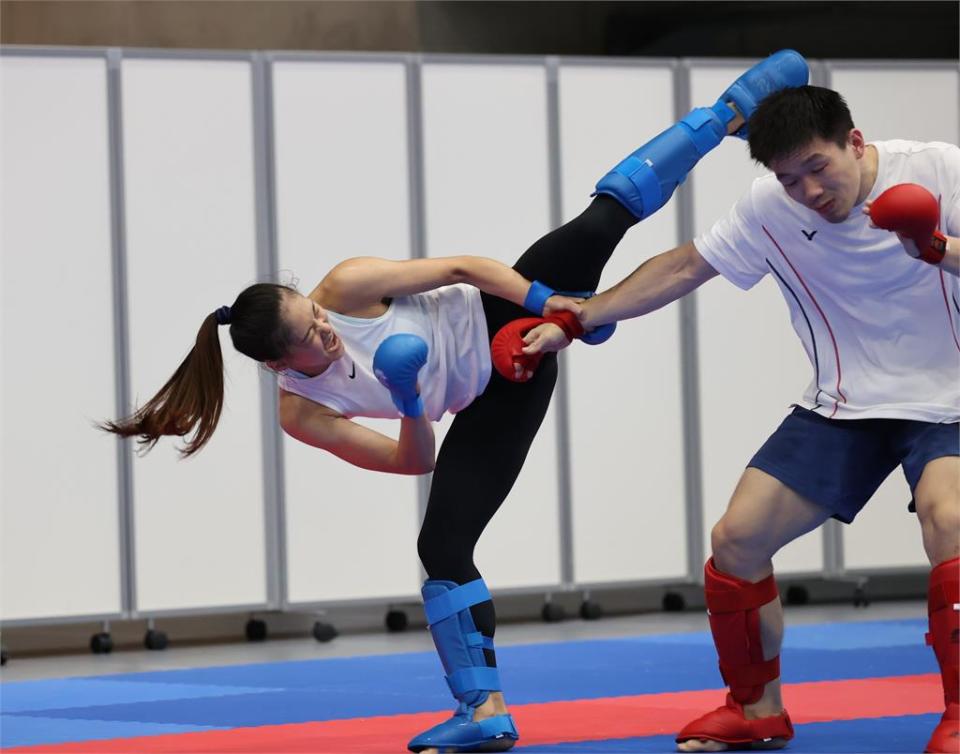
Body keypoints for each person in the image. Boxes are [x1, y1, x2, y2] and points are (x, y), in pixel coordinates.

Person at [102, 52, 807, 753]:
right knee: (441, 545)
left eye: (310, 309)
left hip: (501, 314)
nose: (322, 322)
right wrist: (409, 400)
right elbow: (416, 461)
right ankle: (483, 709)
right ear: (283, 364)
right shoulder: (301, 411)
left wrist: (544, 302)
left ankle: (725, 116)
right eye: (309, 334)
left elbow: (464, 268)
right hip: (492, 400)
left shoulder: (345, 287)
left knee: (597, 225)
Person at [520, 85, 959, 753]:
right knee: (737, 541)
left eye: (818, 167)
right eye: (789, 179)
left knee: (950, 521)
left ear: (856, 142)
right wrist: (581, 317)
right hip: (847, 402)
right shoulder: (770, 210)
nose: (808, 190)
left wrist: (937, 246)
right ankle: (756, 710)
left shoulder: (939, 170)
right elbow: (688, 266)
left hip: (950, 398)